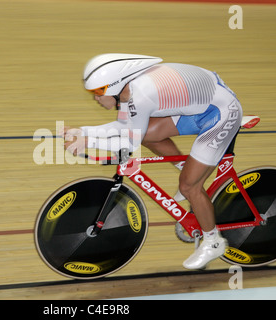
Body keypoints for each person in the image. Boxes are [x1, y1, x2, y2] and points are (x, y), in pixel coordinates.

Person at [62, 53, 242, 270]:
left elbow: (129, 142)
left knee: (188, 186)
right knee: (149, 135)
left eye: (98, 92)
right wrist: (82, 131)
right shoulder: (129, 91)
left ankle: (213, 241)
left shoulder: (142, 96)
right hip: (200, 105)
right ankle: (189, 169)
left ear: (114, 86)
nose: (95, 98)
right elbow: (128, 127)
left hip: (220, 113)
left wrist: (87, 142)